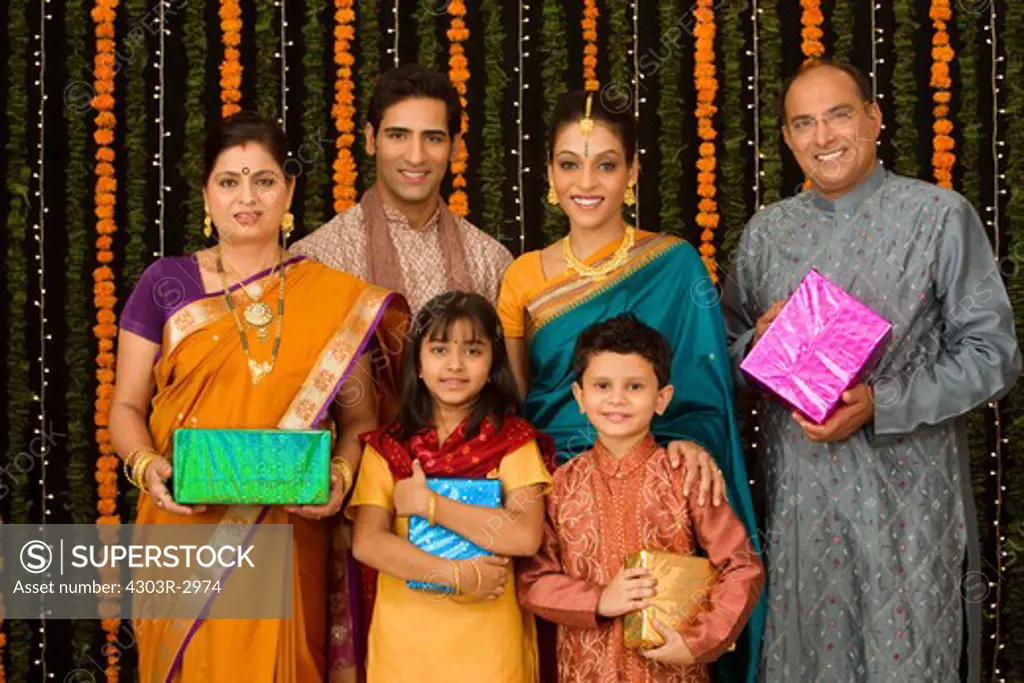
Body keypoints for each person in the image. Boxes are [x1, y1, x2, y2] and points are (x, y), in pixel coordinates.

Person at [720, 58, 1021, 683]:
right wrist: (760, 341)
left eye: (839, 115)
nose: (823, 137)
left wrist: (882, 402)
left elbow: (993, 354)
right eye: (804, 123)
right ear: (787, 138)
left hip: (908, 501)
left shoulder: (939, 217)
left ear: (874, 118)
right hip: (799, 503)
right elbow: (722, 357)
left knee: (906, 656)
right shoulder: (767, 235)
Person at [110, 112, 409, 682]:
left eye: (264, 180)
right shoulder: (163, 284)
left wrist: (340, 483)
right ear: (205, 192)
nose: (247, 198)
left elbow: (361, 422)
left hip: (287, 535)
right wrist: (148, 467)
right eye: (229, 181)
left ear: (289, 189)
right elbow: (125, 408)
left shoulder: (332, 296)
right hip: (180, 529)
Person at [497, 90, 764, 682]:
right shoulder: (520, 277)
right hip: (553, 494)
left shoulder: (674, 264)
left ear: (634, 171)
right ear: (548, 173)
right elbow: (522, 404)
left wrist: (688, 442)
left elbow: (704, 388)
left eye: (606, 164)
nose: (586, 181)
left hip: (662, 479)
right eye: (569, 164)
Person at [518, 314, 764, 682]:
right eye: (602, 385)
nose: (617, 399)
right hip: (586, 670)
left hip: (671, 671)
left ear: (662, 399)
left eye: (634, 386)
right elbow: (532, 580)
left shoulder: (686, 474)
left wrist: (699, 641)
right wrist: (598, 600)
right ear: (579, 397)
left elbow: (742, 565)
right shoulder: (560, 484)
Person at [348, 292, 555, 682]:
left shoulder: (512, 441)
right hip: (405, 645)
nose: (455, 365)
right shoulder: (389, 447)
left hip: (490, 647)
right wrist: (456, 575)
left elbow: (525, 535)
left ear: (494, 364)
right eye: (439, 349)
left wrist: (429, 504)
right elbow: (367, 543)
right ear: (418, 364)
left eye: (473, 351)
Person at [292, 64, 513, 314]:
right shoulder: (319, 259)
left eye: (433, 138)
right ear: (371, 139)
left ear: (454, 147)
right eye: (398, 136)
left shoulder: (491, 263)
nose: (416, 157)